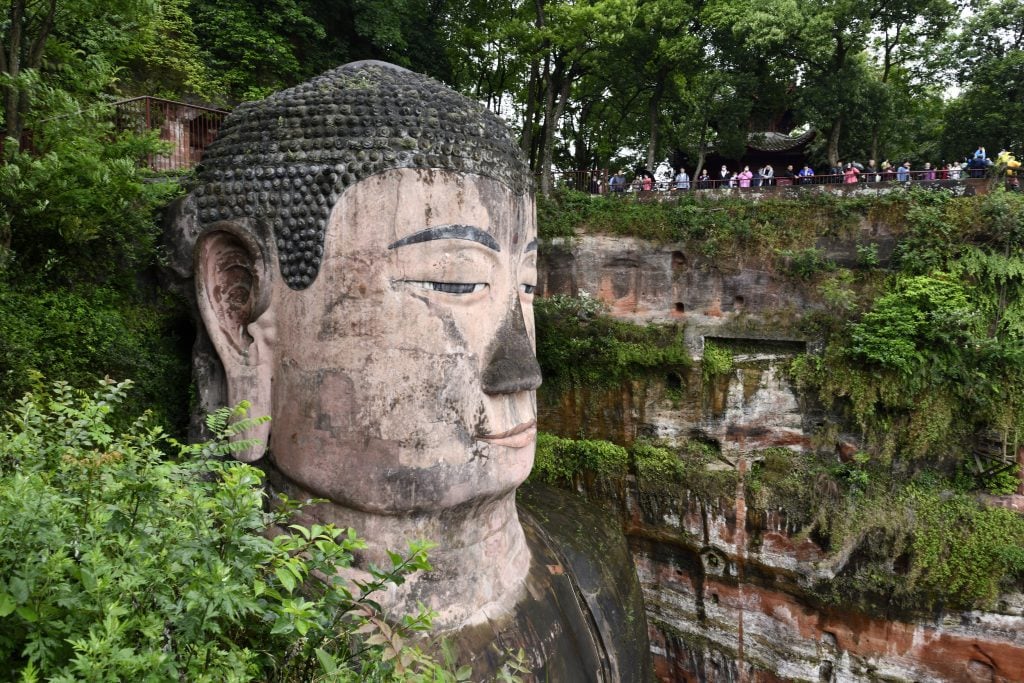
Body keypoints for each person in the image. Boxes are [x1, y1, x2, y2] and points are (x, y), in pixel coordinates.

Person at [176, 60, 650, 681]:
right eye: (455, 281)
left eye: (528, 287)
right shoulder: (213, 642)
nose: (522, 370)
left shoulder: (590, 551)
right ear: (239, 312)